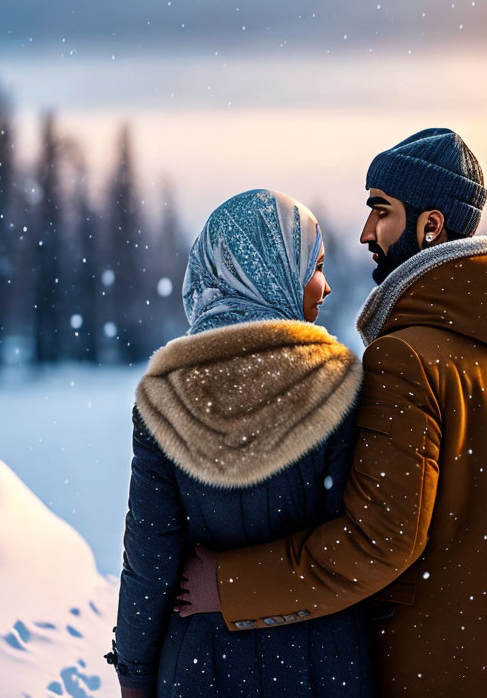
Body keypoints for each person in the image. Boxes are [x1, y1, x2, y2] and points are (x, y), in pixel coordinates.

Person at [176, 129, 487, 698]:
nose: (366, 233)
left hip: (434, 671)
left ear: (431, 225)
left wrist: (225, 586)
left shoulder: (406, 358)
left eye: (381, 211)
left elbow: (379, 540)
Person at [106, 189, 375, 698]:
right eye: (314, 267)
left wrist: (134, 673)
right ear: (273, 271)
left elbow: (150, 556)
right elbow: (357, 548)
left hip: (201, 667)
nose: (326, 286)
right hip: (324, 665)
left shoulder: (166, 399)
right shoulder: (340, 389)